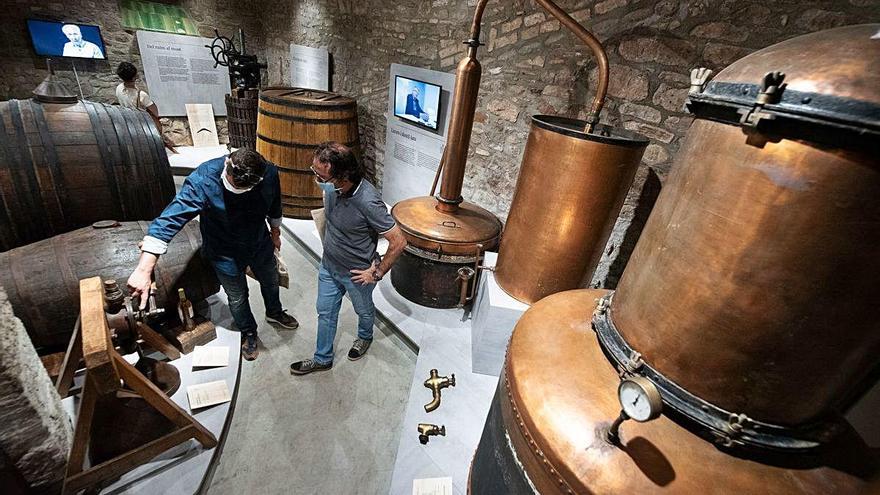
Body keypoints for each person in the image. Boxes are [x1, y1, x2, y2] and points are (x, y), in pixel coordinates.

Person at [127, 149, 299, 361]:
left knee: (271, 280)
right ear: (227, 163)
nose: (238, 191)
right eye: (233, 185)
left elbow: (274, 204)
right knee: (237, 297)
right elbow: (169, 221)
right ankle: (248, 331)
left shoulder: (269, 173)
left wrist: (275, 232)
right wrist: (144, 269)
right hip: (224, 249)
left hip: (258, 242)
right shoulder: (203, 180)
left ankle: (274, 312)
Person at [290, 142, 407, 375]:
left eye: (320, 174)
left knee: (363, 311)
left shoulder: (367, 201)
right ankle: (322, 358)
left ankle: (365, 336)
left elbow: (399, 241)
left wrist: (376, 272)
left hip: (356, 274)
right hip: (329, 266)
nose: (316, 178)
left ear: (341, 176)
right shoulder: (333, 189)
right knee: (325, 311)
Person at [115, 62, 163, 134]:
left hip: (128, 124)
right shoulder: (141, 95)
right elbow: (155, 112)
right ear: (134, 77)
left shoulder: (118, 88)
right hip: (143, 126)